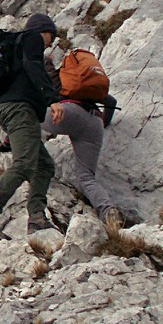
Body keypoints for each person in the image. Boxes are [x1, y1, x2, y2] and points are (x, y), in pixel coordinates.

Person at [0, 13, 63, 241]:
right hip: (20, 109)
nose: (52, 42)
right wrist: (51, 99)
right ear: (43, 30)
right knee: (24, 163)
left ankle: (37, 219)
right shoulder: (32, 39)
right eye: (52, 35)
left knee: (44, 166)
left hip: (10, 109)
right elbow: (34, 66)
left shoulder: (16, 47)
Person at [41, 56, 124, 228]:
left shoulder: (43, 76)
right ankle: (108, 211)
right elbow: (111, 102)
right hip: (94, 121)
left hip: (65, 112)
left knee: (27, 114)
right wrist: (103, 124)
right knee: (86, 176)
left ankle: (20, 152)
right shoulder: (75, 81)